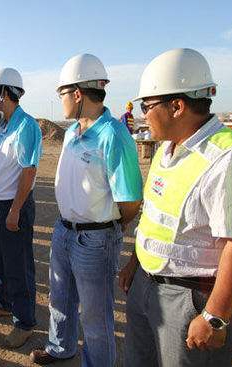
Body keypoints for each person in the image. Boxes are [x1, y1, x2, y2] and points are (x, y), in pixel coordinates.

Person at [119, 48, 232, 367]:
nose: (143, 114)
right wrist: (136, 262)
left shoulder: (225, 159)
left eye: (148, 105)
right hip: (148, 285)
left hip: (190, 300)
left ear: (177, 106)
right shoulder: (167, 149)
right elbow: (154, 216)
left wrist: (214, 317)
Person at [30, 54, 143, 366]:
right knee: (60, 299)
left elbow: (130, 201)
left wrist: (109, 229)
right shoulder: (71, 131)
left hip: (95, 239)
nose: (60, 100)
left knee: (95, 317)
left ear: (77, 94)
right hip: (64, 230)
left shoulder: (114, 135)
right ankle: (60, 347)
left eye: (62, 93)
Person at [0, 68, 42, 348]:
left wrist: (15, 209)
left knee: (19, 265)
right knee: (0, 260)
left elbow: (28, 171)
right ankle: (3, 302)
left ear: (5, 93)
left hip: (14, 206)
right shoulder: (4, 125)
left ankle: (24, 322)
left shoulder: (26, 125)